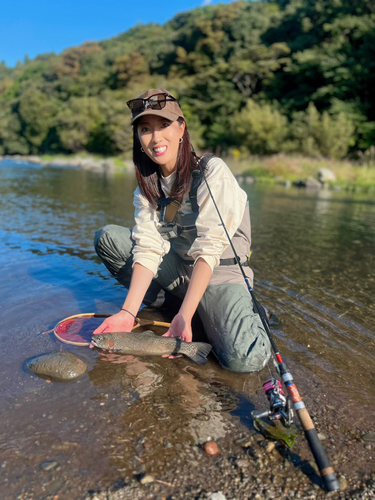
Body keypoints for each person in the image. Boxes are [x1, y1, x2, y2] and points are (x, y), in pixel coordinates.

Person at [93, 89, 271, 373]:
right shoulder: (146, 188)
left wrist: (185, 314)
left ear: (181, 128)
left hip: (219, 275)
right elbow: (149, 247)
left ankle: (238, 315)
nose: (155, 138)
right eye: (145, 129)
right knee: (110, 238)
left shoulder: (212, 171)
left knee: (245, 361)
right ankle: (178, 308)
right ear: (138, 138)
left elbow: (210, 248)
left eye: (163, 125)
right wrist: (128, 313)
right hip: (179, 273)